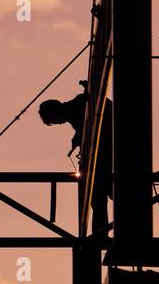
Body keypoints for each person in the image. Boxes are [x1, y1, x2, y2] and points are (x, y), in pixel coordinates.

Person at [40, 87, 113, 234]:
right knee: (101, 196)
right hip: (109, 154)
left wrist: (80, 136)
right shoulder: (77, 107)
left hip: (108, 155)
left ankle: (100, 234)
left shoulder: (77, 106)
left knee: (98, 197)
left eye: (55, 120)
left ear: (56, 110)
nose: (59, 123)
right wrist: (79, 136)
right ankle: (102, 233)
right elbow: (86, 125)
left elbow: (91, 123)